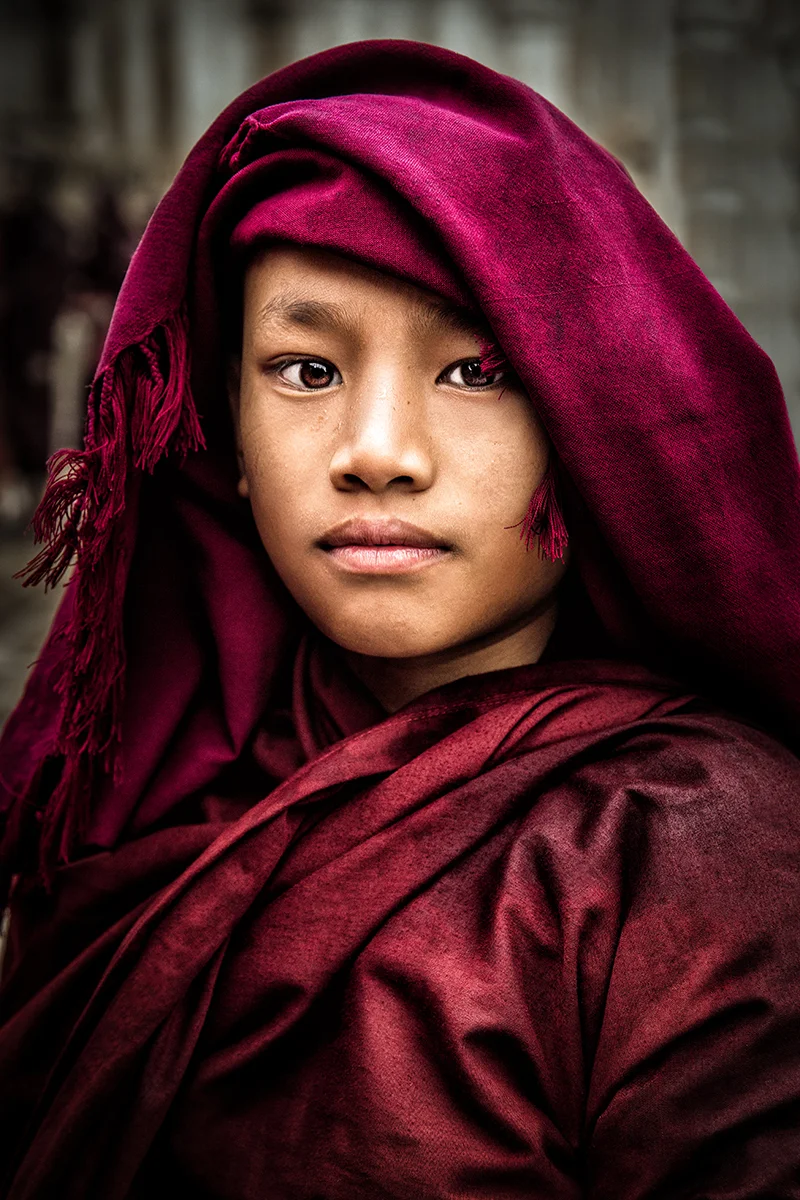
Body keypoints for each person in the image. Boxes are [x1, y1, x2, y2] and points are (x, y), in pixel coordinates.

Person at [1, 39, 799, 1199]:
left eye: (476, 372)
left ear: (589, 425)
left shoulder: (696, 850)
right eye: (305, 370)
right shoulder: (134, 804)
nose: (377, 453)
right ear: (225, 433)